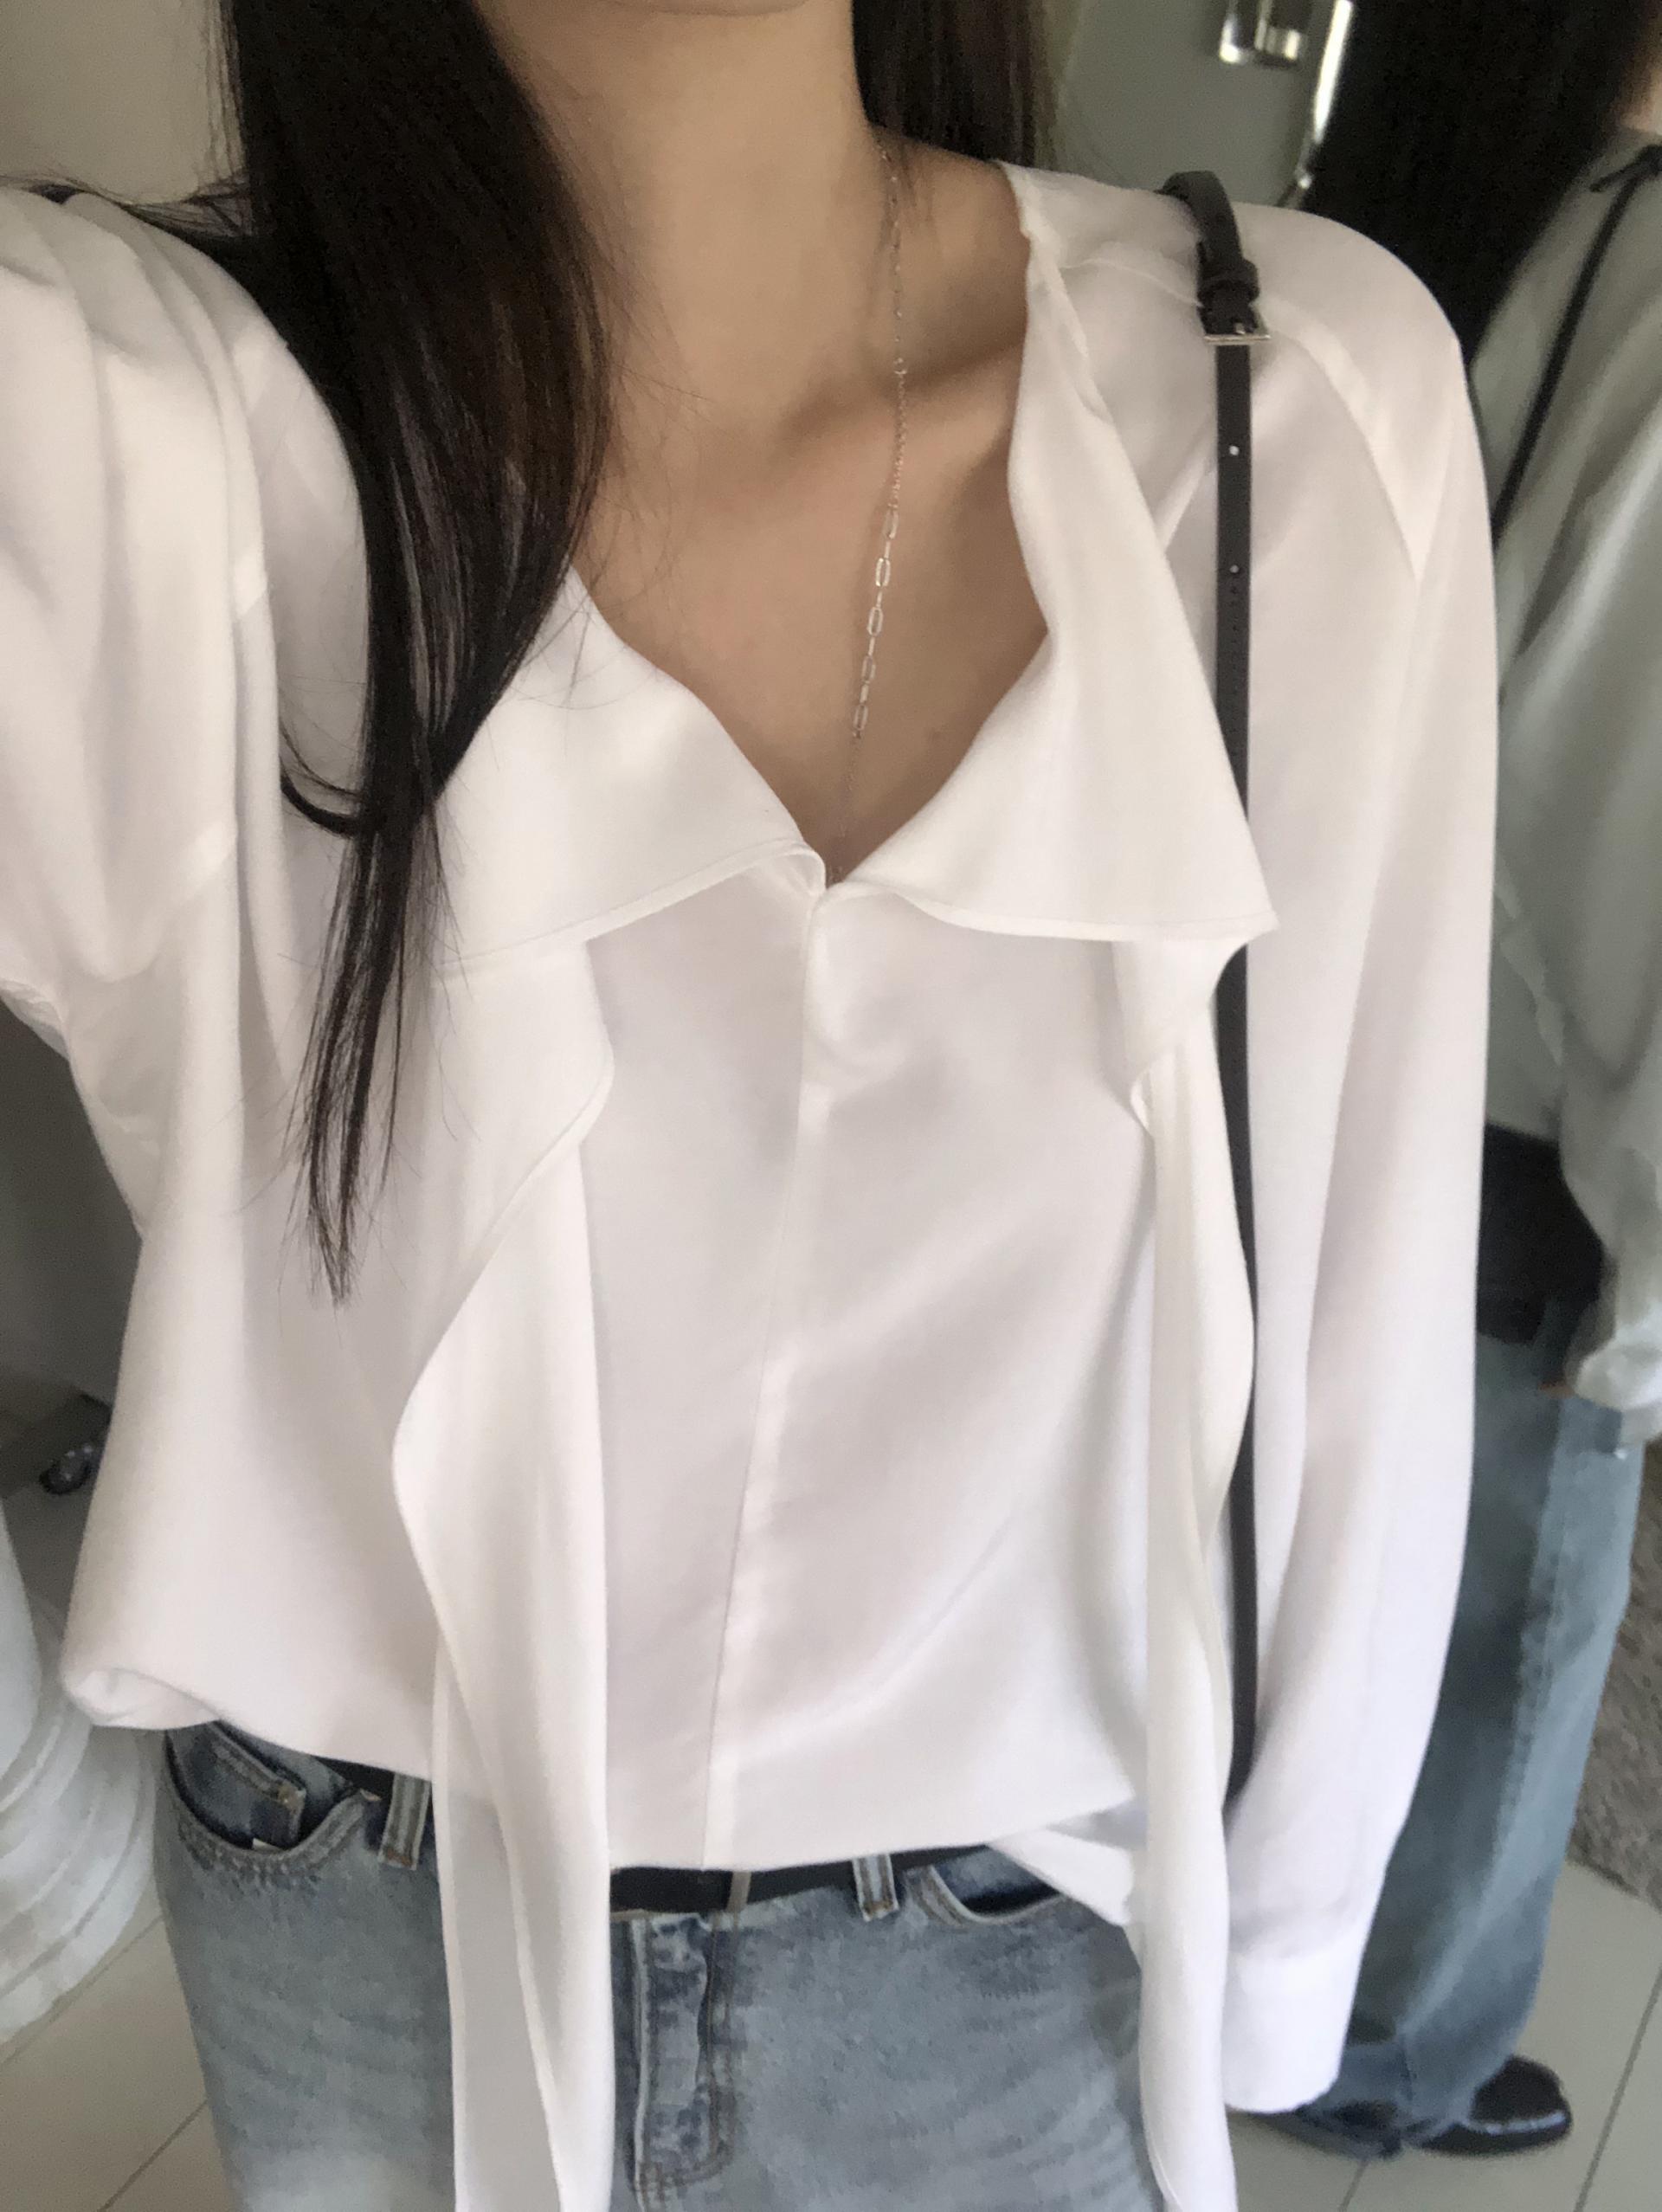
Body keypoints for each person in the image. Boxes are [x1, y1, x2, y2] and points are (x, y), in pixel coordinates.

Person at [0, 4, 1497, 2208]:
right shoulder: (122, 425)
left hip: (1014, 1949)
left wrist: (1279, 1959)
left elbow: (1363, 1296)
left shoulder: (1287, 398)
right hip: (366, 1920)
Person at [1285, 0, 1662, 2164]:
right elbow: (1626, 829)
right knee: (1502, 1618)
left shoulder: (1369, 216)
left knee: (1279, 1539)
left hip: (1292, 1024)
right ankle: (1392, 2053)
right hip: (1516, 1123)